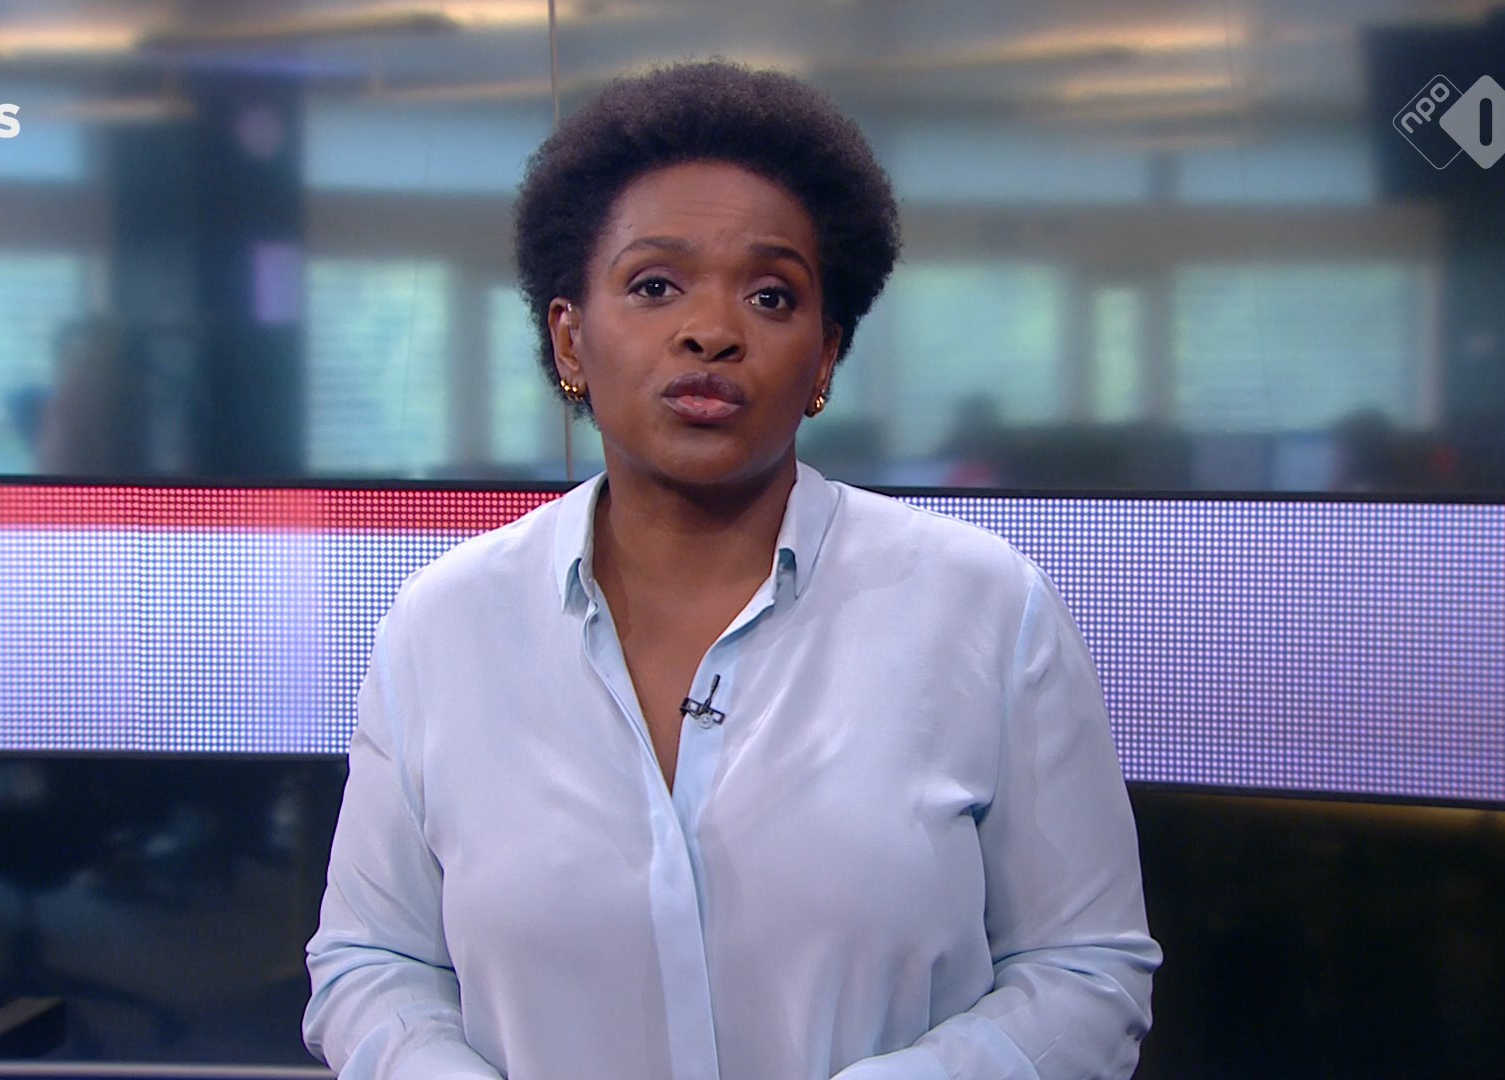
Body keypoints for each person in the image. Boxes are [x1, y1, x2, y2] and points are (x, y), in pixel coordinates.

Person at [303, 61, 1160, 1080]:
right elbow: (371, 962)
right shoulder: (442, 625)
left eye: (770, 294)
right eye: (654, 285)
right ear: (569, 338)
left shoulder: (984, 608)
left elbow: (1087, 970)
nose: (711, 331)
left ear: (825, 357)